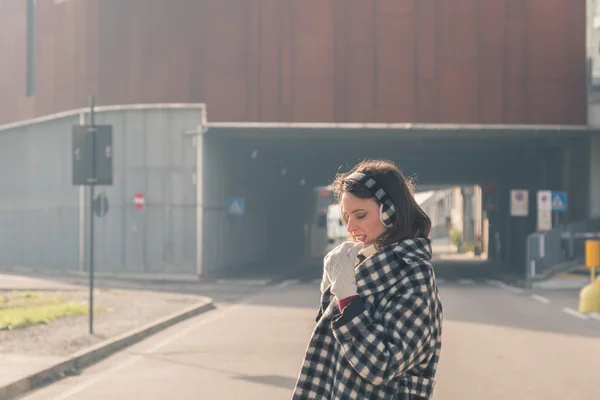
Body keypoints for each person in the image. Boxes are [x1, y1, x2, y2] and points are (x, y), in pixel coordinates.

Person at [292, 159, 443, 400]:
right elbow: (334, 349)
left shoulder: (414, 273)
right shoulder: (364, 263)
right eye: (346, 216)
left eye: (360, 215)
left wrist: (348, 299)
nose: (350, 226)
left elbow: (381, 365)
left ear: (389, 211)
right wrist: (330, 291)